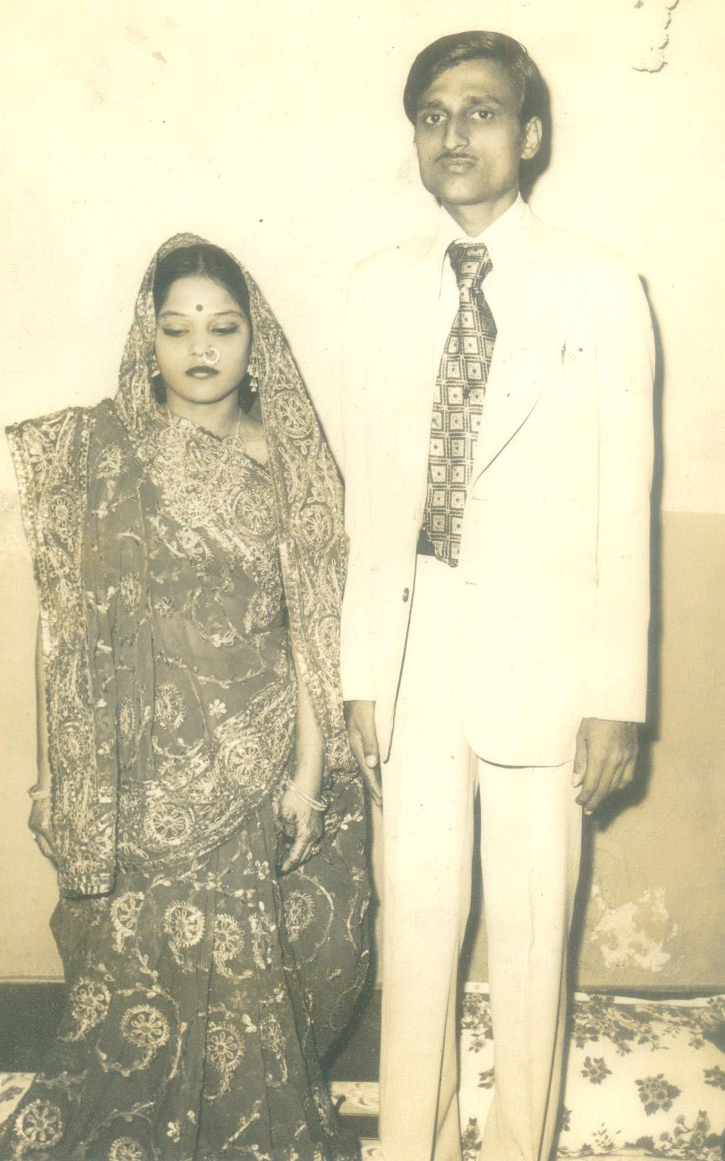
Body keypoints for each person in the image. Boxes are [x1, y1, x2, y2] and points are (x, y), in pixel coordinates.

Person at [0, 235, 369, 1161]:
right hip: (134, 770)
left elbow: (314, 630)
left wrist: (307, 778)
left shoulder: (292, 461)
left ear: (255, 342)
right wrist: (54, 776)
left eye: (222, 327)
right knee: (133, 986)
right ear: (147, 341)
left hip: (259, 753)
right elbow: (65, 630)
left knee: (252, 983)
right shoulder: (104, 453)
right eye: (177, 327)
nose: (200, 347)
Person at [340, 31, 654, 1161]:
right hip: (412, 660)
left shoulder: (599, 284)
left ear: (528, 134)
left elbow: (624, 504)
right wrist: (362, 674)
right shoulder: (376, 288)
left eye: (479, 111)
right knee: (414, 932)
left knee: (530, 939)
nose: (453, 134)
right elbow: (369, 503)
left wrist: (615, 696)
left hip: (547, 668)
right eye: (432, 114)